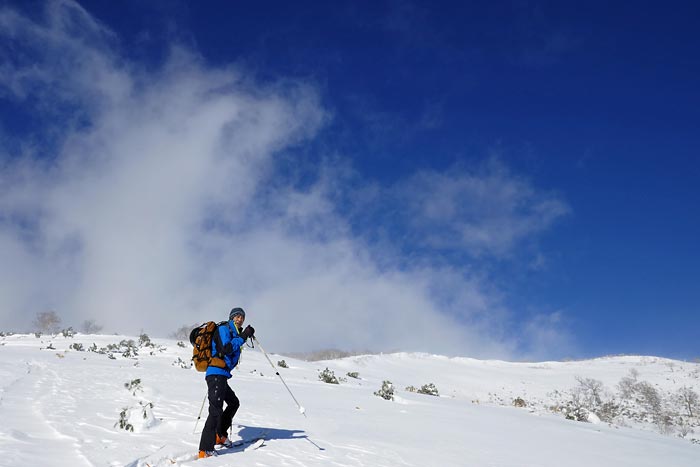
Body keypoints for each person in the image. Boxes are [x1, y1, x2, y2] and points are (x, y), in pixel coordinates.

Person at [198, 307, 255, 459]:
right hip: (216, 373)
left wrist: (242, 335)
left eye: (242, 317)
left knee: (233, 402)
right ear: (231, 318)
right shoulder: (224, 329)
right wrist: (243, 336)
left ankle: (219, 435)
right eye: (237, 316)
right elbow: (226, 349)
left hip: (222, 374)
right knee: (215, 410)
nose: (240, 319)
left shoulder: (234, 332)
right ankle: (205, 450)